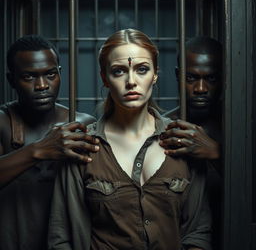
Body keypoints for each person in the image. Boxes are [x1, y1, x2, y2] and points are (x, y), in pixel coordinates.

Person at [48, 29, 211, 250]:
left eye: (142, 69)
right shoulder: (82, 147)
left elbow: (198, 232)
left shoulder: (182, 140)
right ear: (104, 78)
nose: (131, 81)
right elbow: (60, 236)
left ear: (155, 74)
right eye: (119, 71)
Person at [0, 35, 99, 250]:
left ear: (60, 74)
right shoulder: (2, 123)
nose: (42, 85)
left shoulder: (82, 124)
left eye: (50, 74)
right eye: (29, 77)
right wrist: (39, 150)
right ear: (12, 80)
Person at [160, 36, 223, 249]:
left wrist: (217, 153)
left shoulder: (242, 129)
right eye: (191, 78)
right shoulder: (164, 128)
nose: (201, 88)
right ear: (178, 76)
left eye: (211, 78)